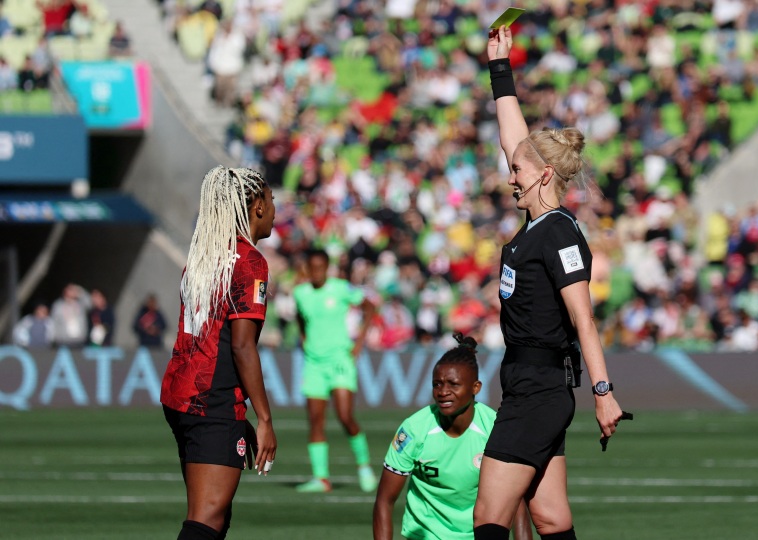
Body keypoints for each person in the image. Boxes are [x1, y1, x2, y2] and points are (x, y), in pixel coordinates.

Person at [472, 26, 624, 540]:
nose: (509, 175)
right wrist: (500, 68)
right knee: (550, 517)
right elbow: (515, 140)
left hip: (539, 388)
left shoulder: (557, 232)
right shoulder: (539, 223)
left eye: (517, 171)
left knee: (488, 517)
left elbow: (584, 318)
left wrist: (603, 392)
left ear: (541, 177)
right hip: (529, 383)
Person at [160, 166, 277, 540]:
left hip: (183, 393)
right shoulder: (250, 261)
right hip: (212, 399)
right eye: (272, 200)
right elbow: (242, 346)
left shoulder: (204, 254)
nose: (275, 208)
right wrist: (265, 418)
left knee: (214, 516)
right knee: (207, 518)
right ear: (257, 206)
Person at [373, 333, 532, 540]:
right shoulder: (413, 430)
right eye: (437, 384)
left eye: (453, 384)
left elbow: (517, 504)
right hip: (424, 535)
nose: (443, 392)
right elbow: (384, 501)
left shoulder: (496, 428)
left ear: (476, 387)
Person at [293, 248, 377, 493]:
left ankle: (363, 467)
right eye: (313, 268)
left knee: (344, 416)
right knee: (316, 421)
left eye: (321, 267)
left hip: (340, 360)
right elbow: (300, 317)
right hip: (313, 363)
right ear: (307, 269)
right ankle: (321, 479)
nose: (317, 272)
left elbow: (370, 306)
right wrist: (303, 335)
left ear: (327, 267)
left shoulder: (341, 288)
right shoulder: (301, 294)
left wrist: (359, 341)